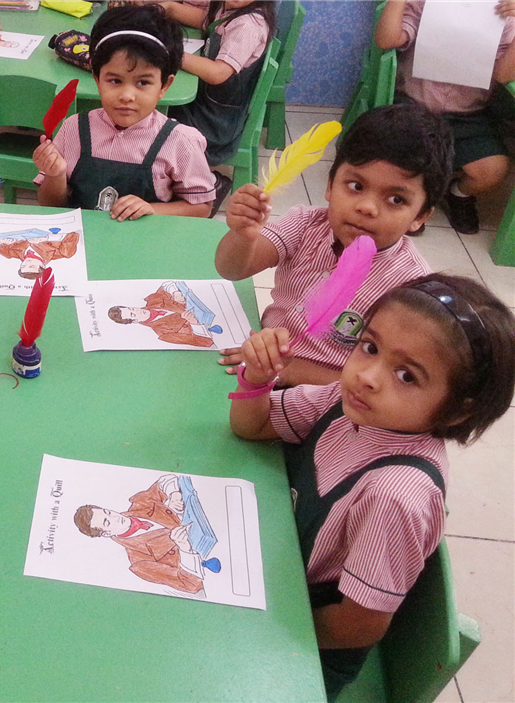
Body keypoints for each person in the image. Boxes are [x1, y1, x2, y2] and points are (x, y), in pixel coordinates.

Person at [228, 273, 515, 702]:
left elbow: (357, 626)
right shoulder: (346, 404)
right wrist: (256, 378)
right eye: (370, 347)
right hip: (270, 566)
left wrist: (263, 630)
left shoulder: (394, 496)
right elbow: (253, 427)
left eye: (406, 376)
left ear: (458, 411)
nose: (367, 376)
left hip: (308, 648)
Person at [214, 104, 449, 386]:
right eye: (356, 186)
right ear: (330, 185)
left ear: (420, 216)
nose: (367, 207)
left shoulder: (410, 289)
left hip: (331, 398)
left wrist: (288, 371)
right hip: (258, 358)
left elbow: (388, 382)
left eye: (396, 199)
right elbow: (232, 269)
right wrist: (243, 235)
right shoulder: (306, 224)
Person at [33, 5, 216, 221]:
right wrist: (55, 175)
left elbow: (201, 208)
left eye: (143, 82)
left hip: (147, 240)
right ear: (97, 80)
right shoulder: (73, 129)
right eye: (115, 80)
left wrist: (152, 209)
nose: (127, 96)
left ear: (164, 86)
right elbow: (50, 205)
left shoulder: (180, 141)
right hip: (83, 239)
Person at [375, 0, 515, 234]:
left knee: (494, 170)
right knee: (406, 162)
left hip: (468, 116)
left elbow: (504, 75)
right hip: (414, 105)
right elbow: (386, 40)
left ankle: (458, 194)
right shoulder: (424, 3)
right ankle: (411, 199)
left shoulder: (504, 13)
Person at [166, 0, 275, 180]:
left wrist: (172, 52)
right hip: (207, 107)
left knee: (154, 116)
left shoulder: (247, 26)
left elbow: (217, 73)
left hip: (214, 125)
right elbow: (206, 21)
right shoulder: (230, 10)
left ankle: (199, 181)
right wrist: (169, 7)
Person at [73, 475, 215, 593]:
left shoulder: (140, 504)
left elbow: (166, 480)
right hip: (214, 557)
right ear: (106, 534)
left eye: (108, 512)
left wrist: (174, 495)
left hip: (212, 511)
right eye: (107, 522)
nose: (115, 517)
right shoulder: (140, 563)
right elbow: (190, 585)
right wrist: (185, 550)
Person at [107, 281, 218, 346]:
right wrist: (195, 324)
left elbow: (168, 283)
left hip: (212, 295)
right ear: (135, 321)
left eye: (132, 309)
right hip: (216, 320)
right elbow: (205, 342)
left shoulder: (153, 300)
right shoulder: (164, 334)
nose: (137, 310)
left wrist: (176, 293)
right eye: (133, 314)